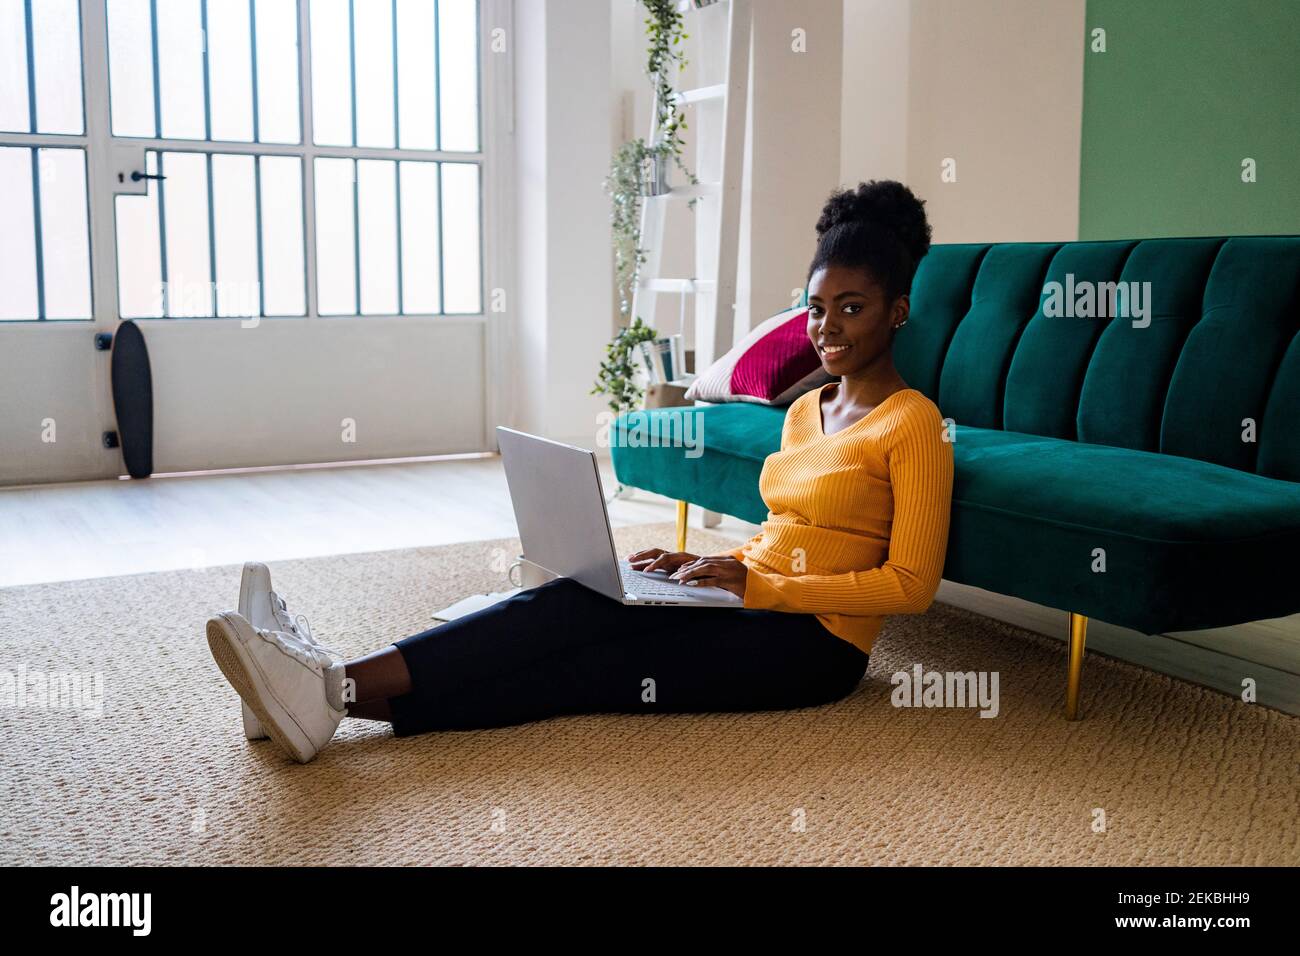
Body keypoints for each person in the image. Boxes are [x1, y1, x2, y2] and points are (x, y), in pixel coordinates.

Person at [205, 180, 955, 763]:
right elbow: (786, 535)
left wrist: (763, 587)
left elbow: (911, 586)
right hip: (753, 603)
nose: (827, 328)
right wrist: (712, 567)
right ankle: (313, 702)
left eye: (850, 309)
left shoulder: (913, 423)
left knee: (585, 636)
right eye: (816, 308)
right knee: (584, 610)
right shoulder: (804, 411)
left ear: (896, 312)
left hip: (816, 650)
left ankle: (323, 683)